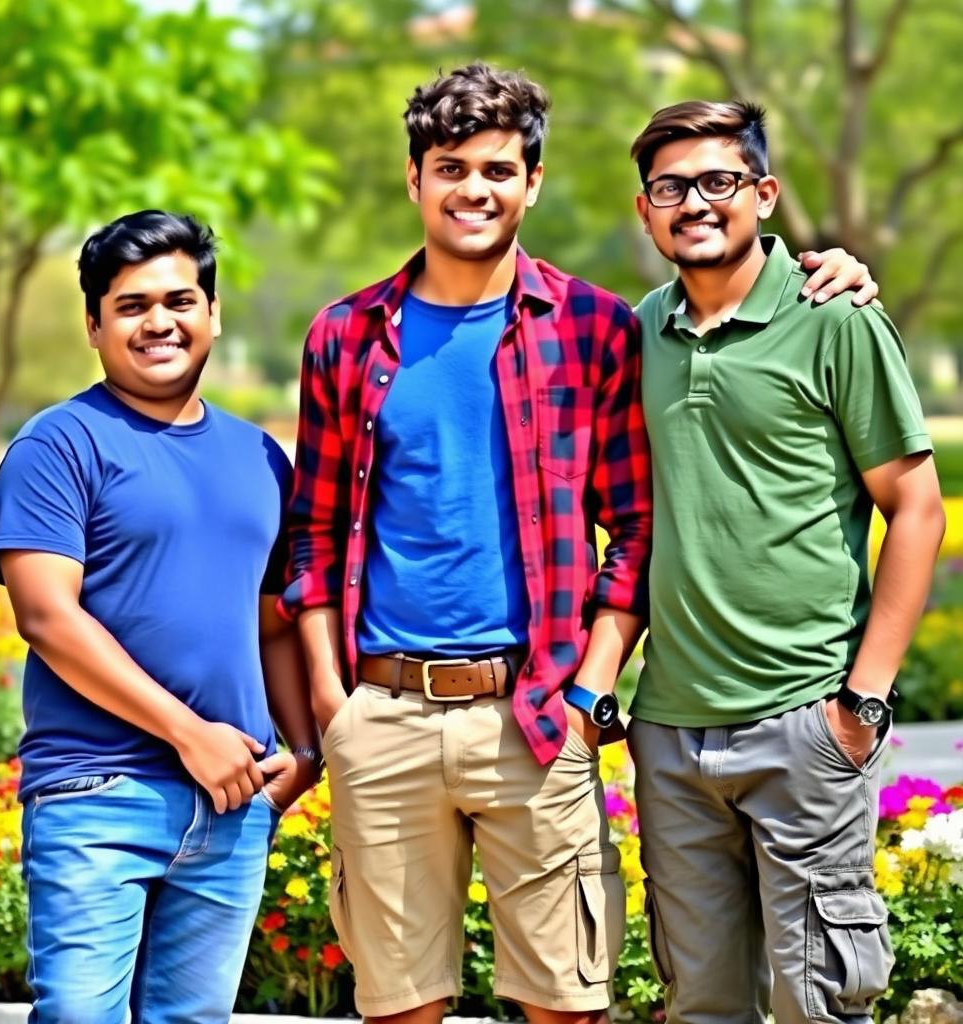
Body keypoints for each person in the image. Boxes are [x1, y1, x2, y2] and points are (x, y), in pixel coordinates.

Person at [281, 64, 874, 1024]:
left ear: (534, 181)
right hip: (382, 712)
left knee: (567, 1006)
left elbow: (635, 529)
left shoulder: (595, 329)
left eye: (497, 169)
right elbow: (311, 533)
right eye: (450, 167)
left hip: (536, 709)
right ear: (413, 179)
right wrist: (329, 701)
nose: (474, 188)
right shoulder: (346, 336)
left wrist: (587, 683)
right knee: (398, 1008)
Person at [626, 101, 946, 1024]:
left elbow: (915, 510)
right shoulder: (638, 332)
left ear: (764, 193)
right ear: (645, 211)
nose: (695, 202)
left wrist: (864, 702)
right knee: (702, 1007)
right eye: (670, 187)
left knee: (819, 1006)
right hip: (672, 736)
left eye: (719, 181)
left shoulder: (833, 318)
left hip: (804, 726)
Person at [0, 210, 319, 1024]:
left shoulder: (260, 458)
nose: (159, 322)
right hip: (97, 791)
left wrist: (304, 749)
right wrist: (186, 733)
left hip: (235, 803)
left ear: (212, 314)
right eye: (131, 305)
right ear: (95, 325)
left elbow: (272, 621)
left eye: (179, 300)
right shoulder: (59, 444)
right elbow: (47, 618)